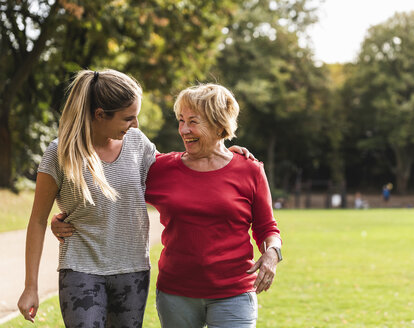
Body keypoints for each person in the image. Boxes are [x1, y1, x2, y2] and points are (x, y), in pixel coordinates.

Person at [18, 69, 252, 327]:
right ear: (100, 115)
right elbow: (37, 220)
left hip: (132, 271)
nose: (136, 125)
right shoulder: (59, 153)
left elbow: (180, 171)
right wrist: (31, 286)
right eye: (128, 118)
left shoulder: (137, 143)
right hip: (81, 269)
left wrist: (220, 152)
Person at [144, 83, 282, 328]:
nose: (184, 130)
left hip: (234, 293)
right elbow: (117, 193)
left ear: (220, 125)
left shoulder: (250, 170)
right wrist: (68, 215)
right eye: (181, 120)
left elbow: (267, 228)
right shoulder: (161, 169)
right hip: (176, 294)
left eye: (193, 121)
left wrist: (272, 253)